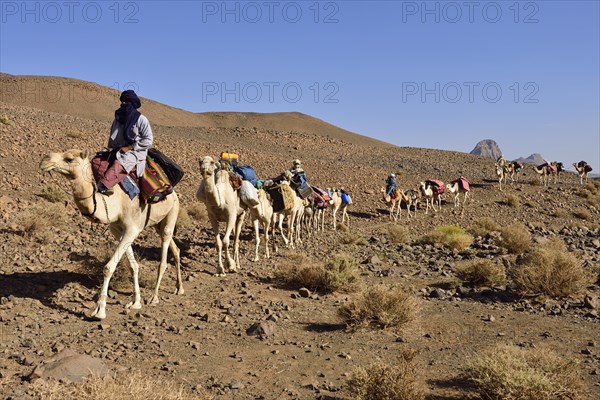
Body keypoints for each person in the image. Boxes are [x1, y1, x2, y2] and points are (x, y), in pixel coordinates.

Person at [97, 90, 153, 195]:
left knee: (120, 163)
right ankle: (100, 181)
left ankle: (104, 186)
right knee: (97, 160)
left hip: (135, 152)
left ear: (132, 103)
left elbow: (148, 140)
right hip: (118, 149)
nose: (122, 104)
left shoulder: (141, 120)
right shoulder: (118, 118)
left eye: (125, 101)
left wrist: (130, 147)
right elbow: (113, 137)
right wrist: (111, 149)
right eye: (122, 101)